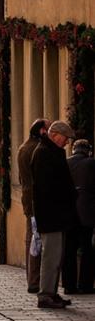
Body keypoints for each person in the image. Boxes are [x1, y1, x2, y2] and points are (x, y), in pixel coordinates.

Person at [31, 120, 77, 309]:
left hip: (56, 214)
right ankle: (45, 295)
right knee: (51, 256)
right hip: (51, 214)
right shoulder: (43, 153)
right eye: (65, 139)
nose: (67, 143)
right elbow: (46, 187)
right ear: (55, 134)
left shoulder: (51, 151)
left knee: (56, 256)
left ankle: (51, 292)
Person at [18, 118, 49, 294]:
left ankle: (32, 278)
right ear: (42, 131)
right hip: (36, 199)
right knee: (36, 241)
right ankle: (34, 280)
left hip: (28, 198)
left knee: (32, 238)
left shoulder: (24, 147)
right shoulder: (37, 149)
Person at [63, 139, 95, 295]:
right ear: (88, 150)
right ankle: (85, 284)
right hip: (86, 212)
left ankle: (69, 285)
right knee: (87, 249)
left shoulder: (66, 163)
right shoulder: (91, 163)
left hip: (69, 213)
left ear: (74, 149)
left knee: (69, 249)